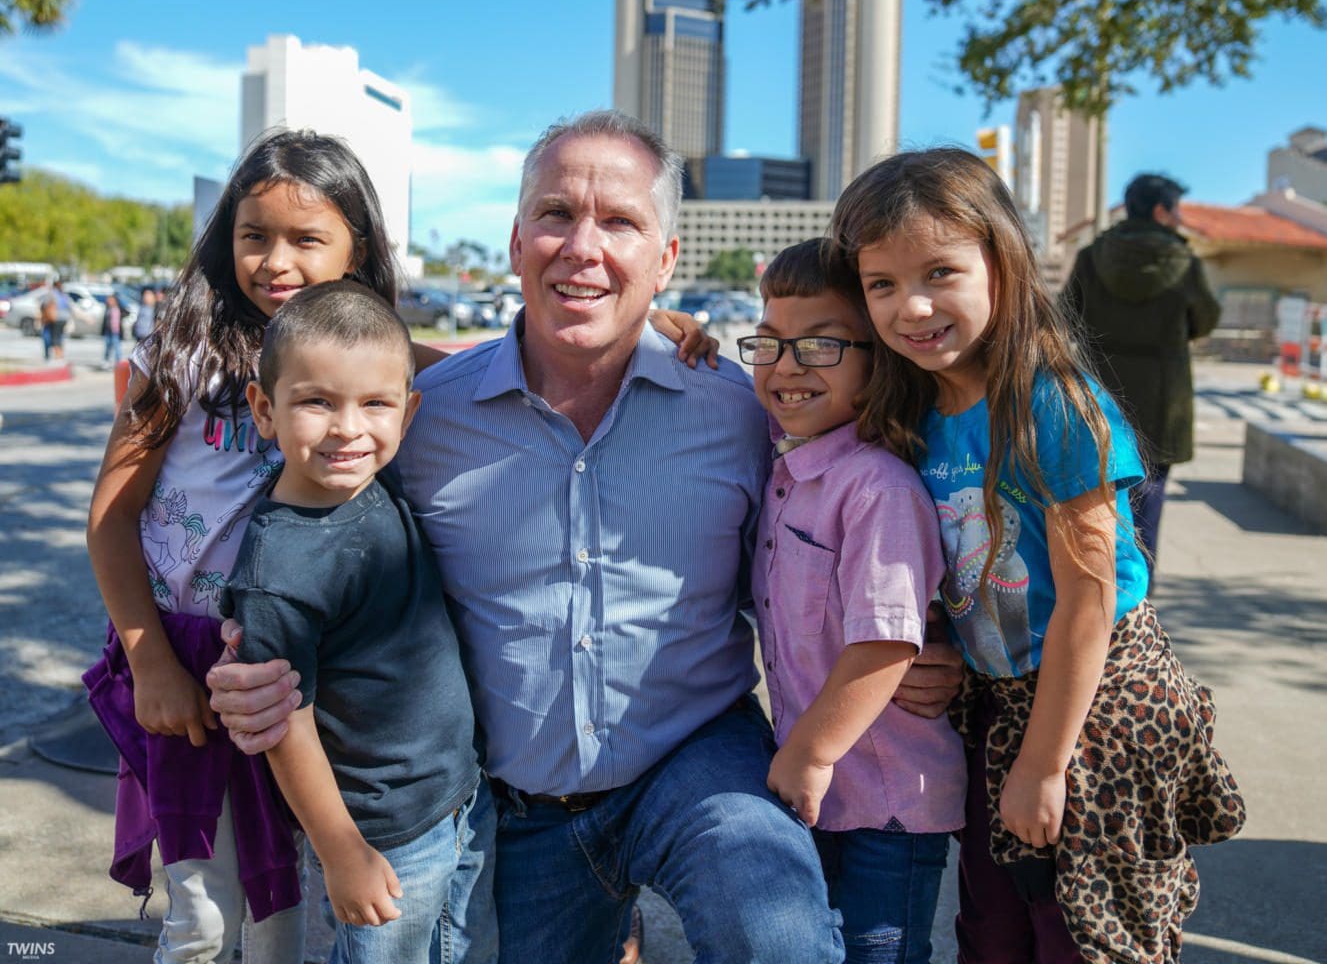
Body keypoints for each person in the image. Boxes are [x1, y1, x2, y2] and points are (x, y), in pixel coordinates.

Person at [208, 110, 966, 963]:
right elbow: (316, 535)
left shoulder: (742, 407)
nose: (582, 246)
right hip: (519, 802)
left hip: (698, 760)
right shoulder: (418, 419)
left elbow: (873, 506)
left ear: (665, 260)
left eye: (620, 223)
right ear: (515, 239)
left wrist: (934, 642)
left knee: (778, 933)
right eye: (558, 214)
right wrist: (257, 652)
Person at [829, 148, 1245, 964]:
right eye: (881, 283)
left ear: (1003, 264)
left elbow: (1090, 601)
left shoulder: (1049, 402)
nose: (911, 305)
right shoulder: (914, 401)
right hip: (998, 704)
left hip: (1093, 711)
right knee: (993, 927)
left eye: (940, 272)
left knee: (1088, 935)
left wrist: (1044, 765)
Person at [84, 128, 408, 964]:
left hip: (301, 674)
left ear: (357, 248)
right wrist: (150, 661)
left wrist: (659, 333)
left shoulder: (372, 359)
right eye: (253, 235)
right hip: (187, 668)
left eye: (307, 239)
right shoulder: (180, 358)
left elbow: (488, 370)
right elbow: (111, 519)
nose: (275, 260)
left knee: (283, 923)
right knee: (202, 921)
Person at [221, 280, 494, 964]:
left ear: (408, 415)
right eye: (316, 402)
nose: (348, 428)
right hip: (379, 835)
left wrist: (647, 329)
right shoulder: (277, 568)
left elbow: (478, 361)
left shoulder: (378, 481)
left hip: (462, 798)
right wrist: (342, 852)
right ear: (263, 408)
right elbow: (284, 719)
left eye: (375, 405)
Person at [738, 238, 967, 964]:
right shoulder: (790, 466)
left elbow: (886, 641)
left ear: (877, 368)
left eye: (820, 346)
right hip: (823, 788)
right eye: (769, 343)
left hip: (883, 802)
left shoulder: (877, 489)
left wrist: (807, 751)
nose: (787, 366)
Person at [1060, 173, 1221, 578]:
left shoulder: (1092, 256)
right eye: (1176, 209)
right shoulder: (1185, 263)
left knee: (1095, 490)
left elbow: (1065, 315)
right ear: (1160, 211)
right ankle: (1138, 596)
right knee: (1149, 495)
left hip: (1100, 392)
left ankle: (1093, 582)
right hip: (1162, 400)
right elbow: (1204, 319)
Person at [40, 281, 69, 361]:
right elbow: (69, 307)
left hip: (54, 318)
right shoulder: (64, 295)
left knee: (53, 336)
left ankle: (56, 354)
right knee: (59, 336)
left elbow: (43, 304)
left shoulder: (51, 294)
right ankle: (59, 353)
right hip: (64, 319)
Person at [101, 292, 125, 368]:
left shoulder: (119, 308)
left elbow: (126, 312)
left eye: (111, 300)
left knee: (117, 347)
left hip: (116, 332)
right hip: (108, 331)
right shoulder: (107, 308)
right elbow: (105, 321)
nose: (109, 301)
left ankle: (118, 362)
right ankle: (106, 361)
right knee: (107, 348)